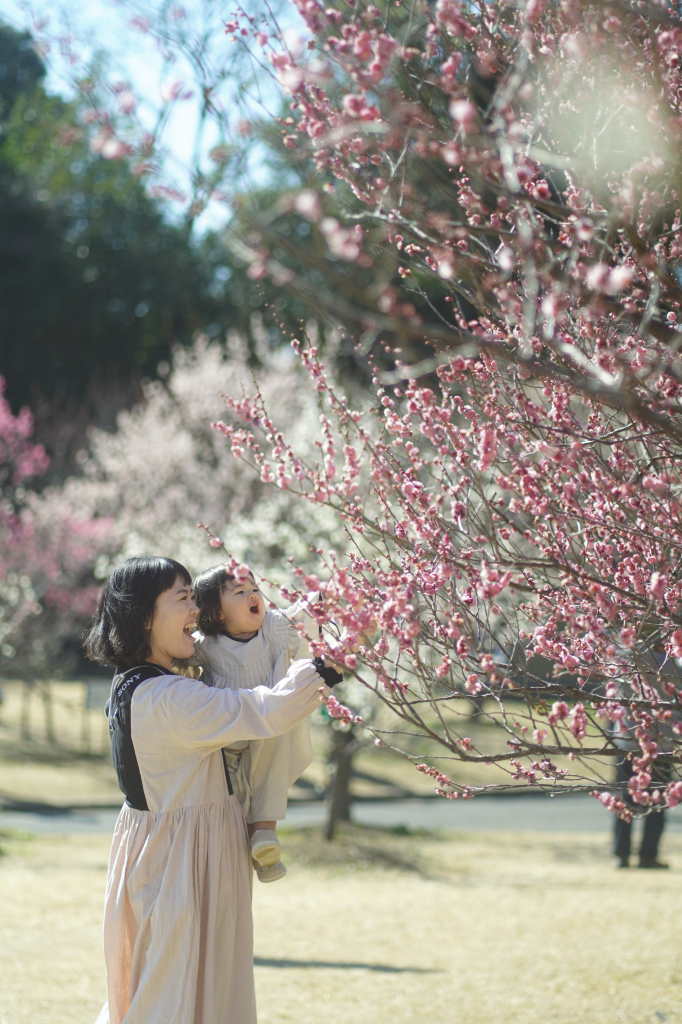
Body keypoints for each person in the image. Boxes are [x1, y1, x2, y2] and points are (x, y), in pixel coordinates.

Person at [85, 555, 342, 1024]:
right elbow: (262, 711)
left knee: (171, 987)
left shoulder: (140, 684)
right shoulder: (171, 699)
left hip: (170, 855)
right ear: (145, 615)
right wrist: (332, 663)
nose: (195, 612)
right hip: (184, 864)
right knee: (177, 995)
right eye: (182, 599)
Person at [190, 564, 319, 883]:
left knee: (270, 765)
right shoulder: (204, 647)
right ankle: (242, 839)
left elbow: (307, 612)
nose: (253, 595)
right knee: (226, 779)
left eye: (254, 590)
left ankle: (264, 835)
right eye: (239, 592)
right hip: (226, 727)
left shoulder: (275, 628)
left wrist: (328, 597)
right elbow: (173, 658)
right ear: (216, 614)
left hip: (269, 722)